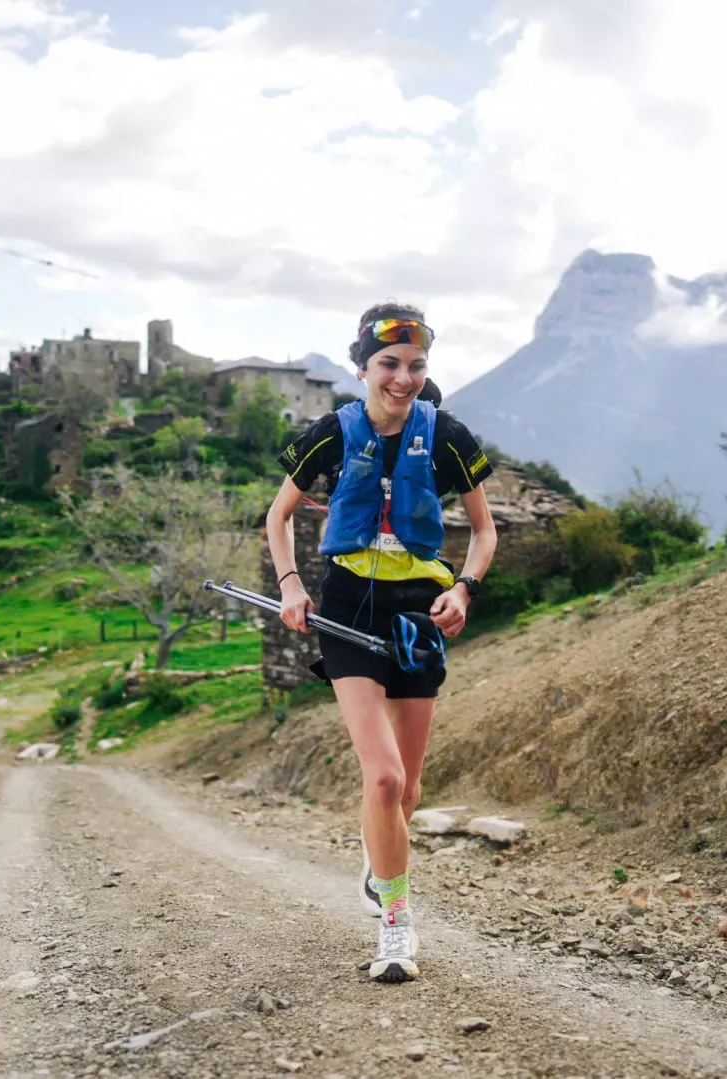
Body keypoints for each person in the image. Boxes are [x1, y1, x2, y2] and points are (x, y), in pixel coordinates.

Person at [265, 302, 497, 983]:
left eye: (416, 366)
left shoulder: (447, 434)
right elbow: (278, 517)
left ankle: (379, 854)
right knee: (384, 774)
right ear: (363, 366)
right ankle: (397, 924)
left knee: (409, 789)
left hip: (419, 613)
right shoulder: (332, 433)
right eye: (390, 365)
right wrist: (290, 587)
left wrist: (464, 590)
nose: (403, 378)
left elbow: (484, 532)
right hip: (346, 608)